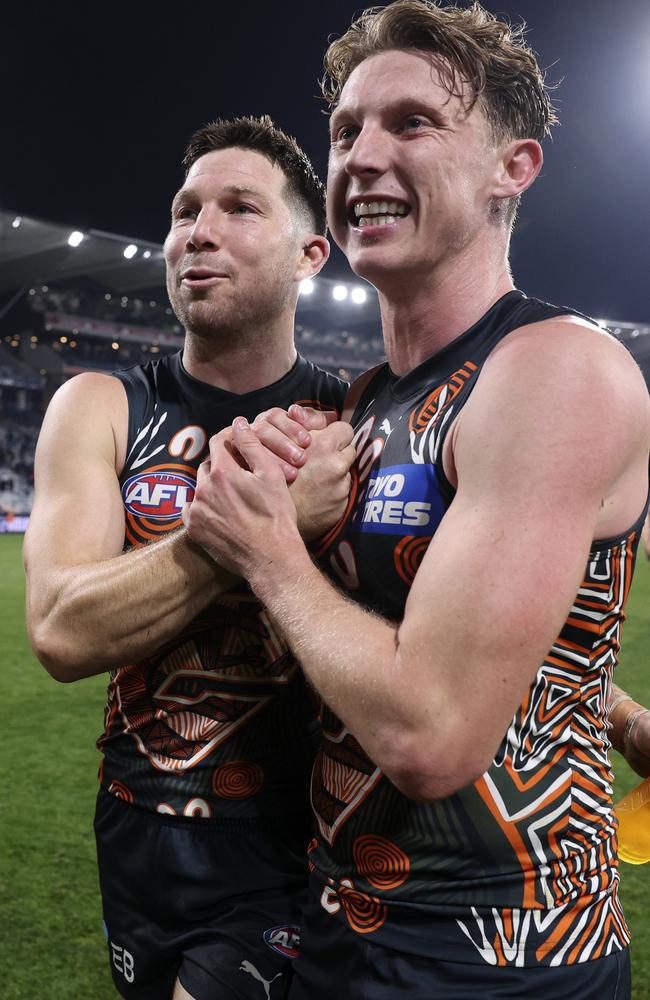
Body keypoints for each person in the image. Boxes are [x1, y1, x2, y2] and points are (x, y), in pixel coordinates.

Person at [182, 3, 650, 997]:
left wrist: (266, 549)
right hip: (340, 924)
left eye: (411, 123)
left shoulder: (556, 371)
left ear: (509, 167)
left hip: (502, 961)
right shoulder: (360, 405)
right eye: (346, 129)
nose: (359, 156)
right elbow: (425, 623)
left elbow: (431, 734)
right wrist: (601, 700)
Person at [24, 116, 355, 1000]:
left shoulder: (353, 425)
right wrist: (255, 528)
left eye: (239, 207)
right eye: (183, 211)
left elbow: (442, 612)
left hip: (295, 839)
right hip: (134, 827)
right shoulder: (99, 406)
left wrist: (618, 710)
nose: (195, 231)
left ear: (310, 254)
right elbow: (60, 630)